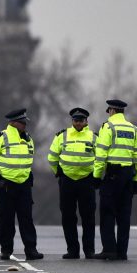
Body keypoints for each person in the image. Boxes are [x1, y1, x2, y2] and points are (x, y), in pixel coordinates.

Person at [0, 108, 42, 261]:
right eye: (22, 123)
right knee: (6, 219)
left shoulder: (28, 139)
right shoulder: (0, 138)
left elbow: (29, 158)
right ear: (14, 123)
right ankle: (6, 250)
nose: (25, 126)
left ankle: (31, 250)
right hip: (6, 184)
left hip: (24, 185)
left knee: (26, 219)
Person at [92, 99, 137, 261]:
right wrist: (135, 179)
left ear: (112, 111)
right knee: (124, 215)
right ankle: (122, 252)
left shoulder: (108, 127)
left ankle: (109, 249)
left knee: (107, 212)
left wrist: (96, 176)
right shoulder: (134, 129)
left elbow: (101, 154)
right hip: (128, 176)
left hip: (112, 175)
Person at [47, 107, 97, 259]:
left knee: (88, 217)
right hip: (67, 181)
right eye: (76, 120)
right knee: (68, 216)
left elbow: (101, 158)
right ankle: (72, 250)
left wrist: (96, 176)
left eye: (81, 120)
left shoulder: (94, 137)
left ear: (86, 121)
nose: (78, 123)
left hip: (87, 181)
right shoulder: (62, 136)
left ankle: (89, 250)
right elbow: (52, 157)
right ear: (72, 121)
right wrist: (58, 172)